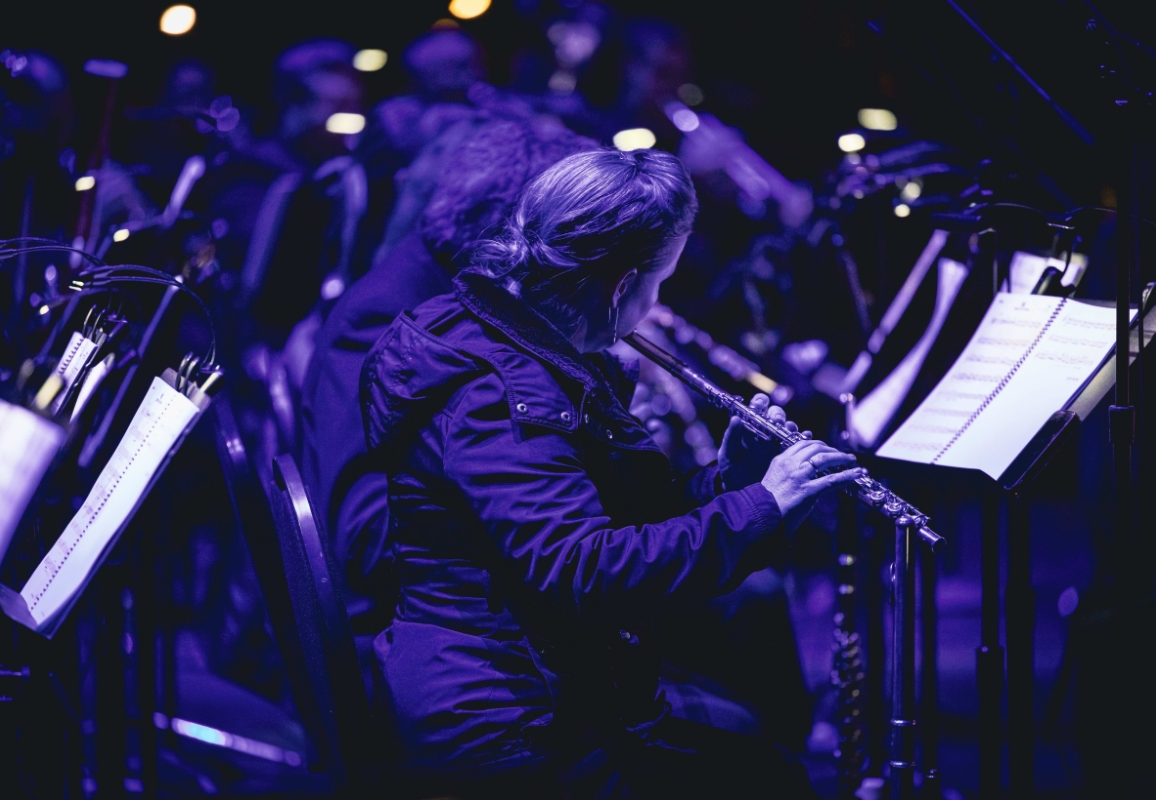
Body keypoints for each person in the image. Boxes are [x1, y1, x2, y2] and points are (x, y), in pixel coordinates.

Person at [360, 148, 864, 796]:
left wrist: (726, 482)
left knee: (762, 758)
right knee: (772, 779)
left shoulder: (510, 332)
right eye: (659, 284)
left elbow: (599, 518)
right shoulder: (499, 396)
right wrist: (762, 508)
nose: (656, 306)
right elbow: (584, 569)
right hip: (504, 724)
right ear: (623, 285)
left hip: (543, 683)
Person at [300, 116, 596, 641]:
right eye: (577, 245)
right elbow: (365, 539)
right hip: (427, 643)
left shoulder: (466, 296)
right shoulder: (391, 317)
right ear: (518, 233)